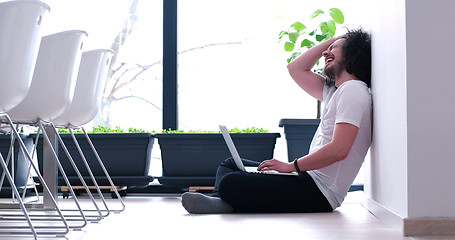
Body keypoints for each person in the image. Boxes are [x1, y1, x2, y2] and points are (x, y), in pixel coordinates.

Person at [181, 28, 372, 214]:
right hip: (306, 179)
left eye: (333, 48)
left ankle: (224, 200)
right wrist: (337, 39)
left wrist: (290, 166)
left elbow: (339, 150)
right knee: (230, 165)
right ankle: (222, 202)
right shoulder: (334, 92)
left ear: (351, 53)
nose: (325, 52)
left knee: (231, 182)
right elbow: (295, 68)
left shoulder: (353, 90)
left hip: (320, 192)